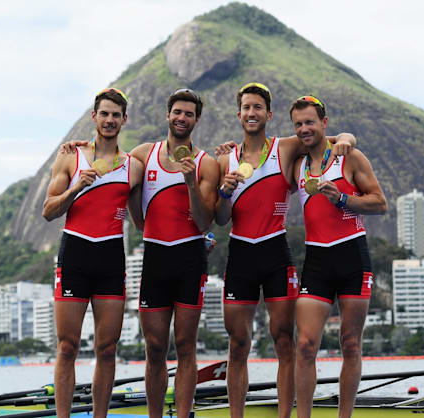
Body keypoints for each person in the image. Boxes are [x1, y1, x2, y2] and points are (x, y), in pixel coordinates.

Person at [214, 82, 357, 418]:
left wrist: (348, 139)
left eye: (258, 108)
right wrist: (224, 191)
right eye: (246, 108)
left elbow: (330, 138)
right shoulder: (225, 159)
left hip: (276, 253)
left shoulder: (287, 147)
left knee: (284, 342)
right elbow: (220, 220)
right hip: (240, 255)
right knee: (238, 345)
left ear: (268, 114)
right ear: (239, 114)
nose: (252, 113)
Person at [41, 87, 144, 418]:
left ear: (124, 120)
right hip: (75, 255)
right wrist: (77, 187)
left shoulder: (133, 167)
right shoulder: (71, 157)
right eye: (105, 114)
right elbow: (48, 210)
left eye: (116, 115)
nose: (110, 120)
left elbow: (146, 218)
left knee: (107, 349)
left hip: (111, 258)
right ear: (94, 117)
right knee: (67, 347)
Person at [289, 95, 387, 418]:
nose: (304, 129)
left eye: (310, 122)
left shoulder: (350, 157)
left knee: (350, 343)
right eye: (298, 124)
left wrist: (343, 199)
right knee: (304, 345)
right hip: (317, 260)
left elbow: (379, 203)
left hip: (351, 256)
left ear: (324, 124)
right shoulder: (297, 165)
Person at [127, 88, 220, 418]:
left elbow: (204, 220)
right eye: (177, 112)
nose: (182, 118)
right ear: (168, 115)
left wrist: (190, 181)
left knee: (185, 346)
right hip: (155, 257)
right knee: (154, 348)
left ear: (196, 120)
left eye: (189, 114)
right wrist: (75, 147)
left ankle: (183, 414)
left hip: (189, 259)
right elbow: (113, 168)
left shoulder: (206, 163)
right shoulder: (143, 154)